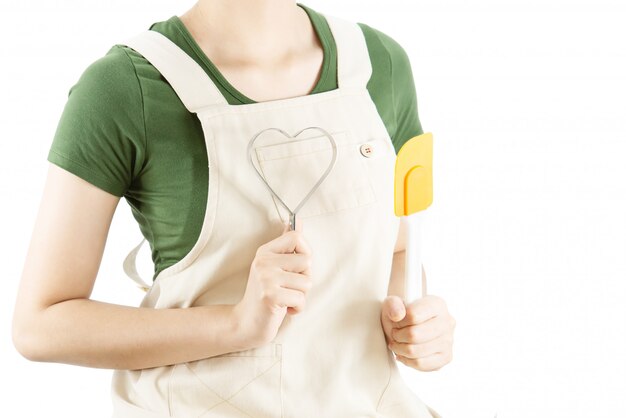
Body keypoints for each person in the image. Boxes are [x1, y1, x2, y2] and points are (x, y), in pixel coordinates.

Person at [12, 1, 456, 417]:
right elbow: (41, 324)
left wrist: (414, 326)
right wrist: (237, 324)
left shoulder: (381, 65)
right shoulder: (122, 89)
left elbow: (398, 251)